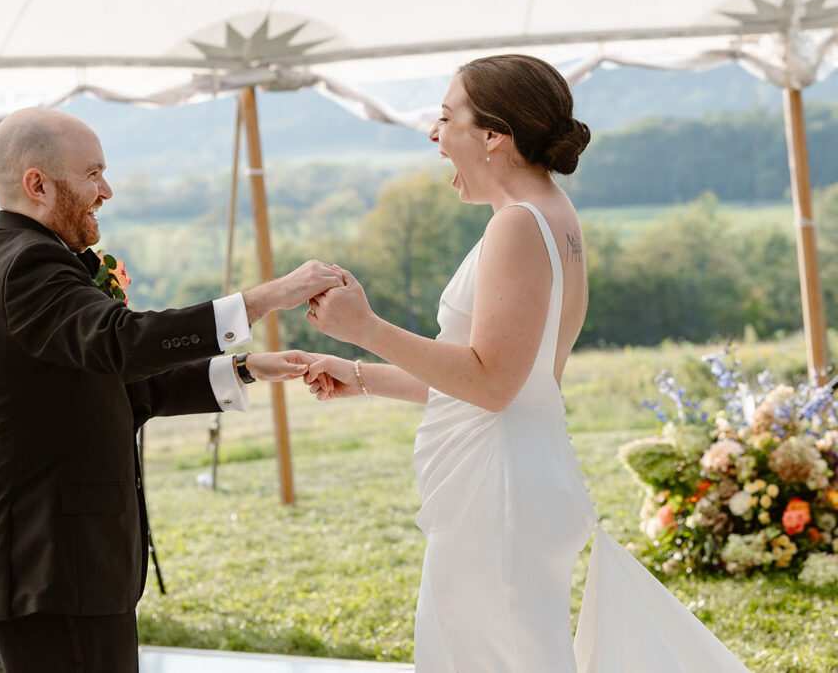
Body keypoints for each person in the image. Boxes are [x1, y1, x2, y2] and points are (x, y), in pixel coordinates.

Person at [303, 55, 749, 672]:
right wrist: (357, 375)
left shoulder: (518, 225)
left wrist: (366, 329)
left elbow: (492, 383)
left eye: (444, 116)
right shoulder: (553, 217)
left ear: (493, 135)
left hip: (499, 489)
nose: (434, 135)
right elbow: (508, 378)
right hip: (519, 470)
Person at [0, 107, 342, 673]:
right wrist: (269, 297)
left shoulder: (28, 260)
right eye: (92, 174)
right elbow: (124, 343)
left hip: (68, 563)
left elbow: (125, 383)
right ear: (37, 184)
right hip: (46, 559)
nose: (106, 190)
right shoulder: (25, 265)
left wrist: (246, 368)